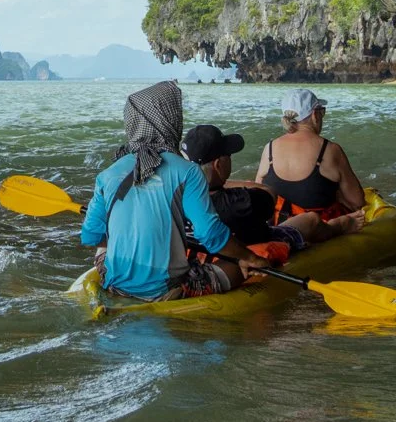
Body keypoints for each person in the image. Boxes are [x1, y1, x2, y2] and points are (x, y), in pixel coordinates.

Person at [80, 83, 269, 300]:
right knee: (235, 265)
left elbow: (91, 236)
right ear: (170, 118)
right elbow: (211, 235)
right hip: (164, 289)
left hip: (111, 280)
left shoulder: (109, 172)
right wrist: (250, 258)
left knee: (105, 251)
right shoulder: (187, 171)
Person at [181, 124, 361, 253]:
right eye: (228, 155)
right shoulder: (240, 202)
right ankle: (341, 226)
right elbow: (268, 192)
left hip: (198, 251)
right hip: (256, 244)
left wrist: (195, 182)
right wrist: (224, 182)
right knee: (311, 220)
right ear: (218, 165)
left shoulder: (172, 196)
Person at [257, 89, 367, 221]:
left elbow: (259, 191)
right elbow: (357, 201)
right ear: (315, 114)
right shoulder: (330, 150)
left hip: (280, 228)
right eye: (322, 112)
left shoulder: (269, 149)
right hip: (322, 230)